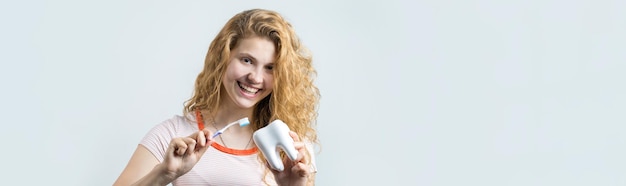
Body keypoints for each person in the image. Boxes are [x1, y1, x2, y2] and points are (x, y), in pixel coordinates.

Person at [113, 8, 320, 186]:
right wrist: (163, 173)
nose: (255, 77)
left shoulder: (292, 150)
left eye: (270, 68)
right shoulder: (173, 135)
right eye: (247, 60)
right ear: (223, 57)